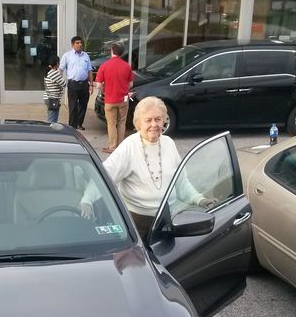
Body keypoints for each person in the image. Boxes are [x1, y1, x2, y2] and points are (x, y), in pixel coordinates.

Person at [81, 96, 214, 240]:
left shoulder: (169, 144)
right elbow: (105, 176)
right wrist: (87, 200)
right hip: (138, 225)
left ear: (164, 120)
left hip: (168, 220)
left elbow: (181, 182)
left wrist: (199, 200)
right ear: (138, 123)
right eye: (148, 120)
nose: (154, 124)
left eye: (158, 119)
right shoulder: (129, 147)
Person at [95, 42, 133, 153]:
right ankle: (121, 147)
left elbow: (98, 85)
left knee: (111, 124)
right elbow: (130, 84)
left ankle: (112, 147)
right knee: (122, 122)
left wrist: (104, 91)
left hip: (110, 100)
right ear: (122, 52)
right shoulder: (127, 66)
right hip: (123, 99)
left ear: (112, 50)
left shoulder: (104, 65)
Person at [59, 36, 93, 130]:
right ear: (72, 44)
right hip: (73, 84)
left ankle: (79, 123)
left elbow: (89, 70)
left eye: (81, 42)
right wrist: (58, 81)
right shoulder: (67, 56)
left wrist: (91, 84)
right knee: (73, 106)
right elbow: (61, 70)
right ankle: (72, 126)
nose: (80, 44)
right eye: (77, 43)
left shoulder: (86, 56)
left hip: (84, 84)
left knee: (83, 105)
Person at [43, 54, 66, 123]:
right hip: (53, 99)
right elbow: (64, 84)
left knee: (50, 117)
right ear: (57, 63)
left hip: (48, 97)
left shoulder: (47, 71)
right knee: (52, 120)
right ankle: (50, 133)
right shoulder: (54, 73)